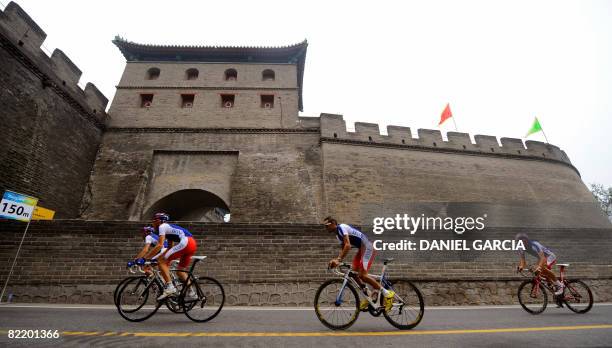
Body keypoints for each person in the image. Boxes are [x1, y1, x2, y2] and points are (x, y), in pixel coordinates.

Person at [324, 216, 395, 311]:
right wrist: (338, 261)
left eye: (327, 225)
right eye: (324, 226)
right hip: (362, 249)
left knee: (362, 275)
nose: (326, 228)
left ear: (333, 223)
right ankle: (369, 295)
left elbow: (348, 245)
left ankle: (387, 293)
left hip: (368, 248)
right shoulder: (338, 235)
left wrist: (338, 259)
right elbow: (343, 249)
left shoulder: (342, 227)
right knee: (353, 273)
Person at [144, 213, 198, 300]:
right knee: (180, 271)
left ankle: (170, 287)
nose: (152, 223)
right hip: (192, 244)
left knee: (161, 262)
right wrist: (158, 257)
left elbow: (160, 245)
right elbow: (169, 247)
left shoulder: (162, 226)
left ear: (158, 221)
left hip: (186, 242)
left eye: (153, 221)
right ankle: (192, 292)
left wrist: (146, 258)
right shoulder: (169, 228)